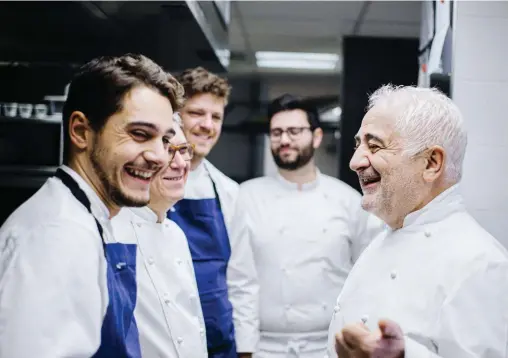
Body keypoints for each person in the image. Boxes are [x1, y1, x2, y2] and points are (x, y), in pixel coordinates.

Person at [0, 54, 184, 357]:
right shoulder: (59, 235)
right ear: (81, 131)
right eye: (140, 134)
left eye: (164, 139)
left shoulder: (85, 217)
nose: (160, 157)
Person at [326, 85, 508, 358]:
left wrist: (404, 355)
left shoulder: (480, 263)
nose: (355, 161)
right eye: (358, 145)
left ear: (432, 163)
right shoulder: (389, 232)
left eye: (374, 146)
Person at [227, 94, 383, 358]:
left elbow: (365, 278)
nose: (284, 140)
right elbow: (240, 281)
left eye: (294, 131)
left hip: (330, 343)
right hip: (264, 347)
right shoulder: (245, 197)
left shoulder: (348, 201)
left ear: (317, 136)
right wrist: (245, 348)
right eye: (276, 133)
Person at [111, 122, 207, 357]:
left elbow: (194, 324)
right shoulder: (112, 233)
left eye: (183, 150)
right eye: (167, 151)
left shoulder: (176, 234)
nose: (180, 164)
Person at [166, 67, 239, 357]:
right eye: (197, 113)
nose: (208, 125)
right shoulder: (145, 185)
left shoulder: (229, 191)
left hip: (218, 338)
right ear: (175, 115)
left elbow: (241, 279)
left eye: (216, 116)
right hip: (164, 335)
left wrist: (245, 348)